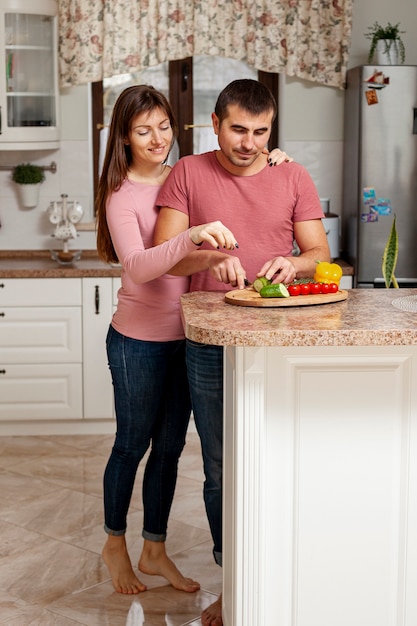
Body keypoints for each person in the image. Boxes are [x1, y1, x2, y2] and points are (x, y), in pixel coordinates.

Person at [154, 78, 330, 625]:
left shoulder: (293, 175)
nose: (249, 142)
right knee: (219, 467)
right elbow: (167, 256)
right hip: (210, 343)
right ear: (214, 123)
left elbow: (321, 252)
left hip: (279, 340)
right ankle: (236, 580)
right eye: (238, 129)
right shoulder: (188, 172)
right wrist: (207, 260)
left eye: (260, 131)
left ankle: (288, 570)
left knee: (285, 460)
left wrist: (292, 263)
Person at [96, 84, 240, 596]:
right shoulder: (120, 193)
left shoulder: (183, 177)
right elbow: (139, 266)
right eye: (143, 131)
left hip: (188, 339)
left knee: (171, 449)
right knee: (133, 444)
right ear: (124, 137)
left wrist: (273, 157)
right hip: (136, 342)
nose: (157, 139)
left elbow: (241, 158)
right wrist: (195, 237)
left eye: (163, 127)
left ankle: (153, 549)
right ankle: (115, 543)